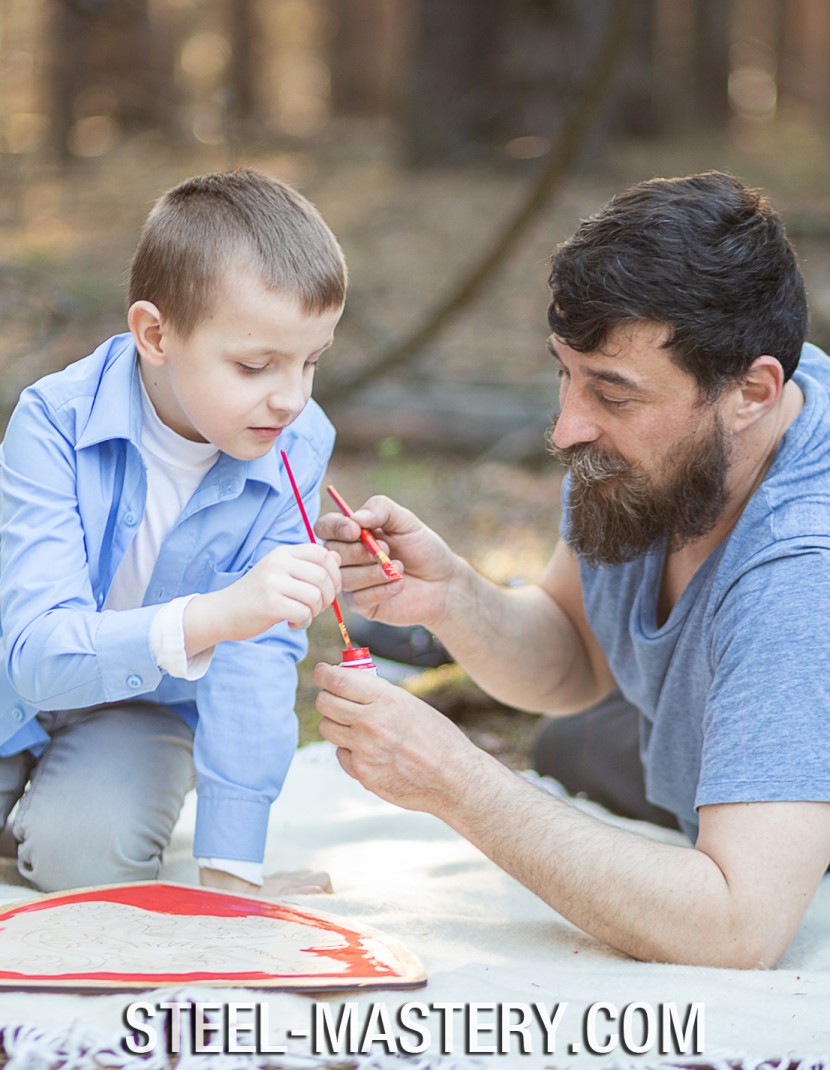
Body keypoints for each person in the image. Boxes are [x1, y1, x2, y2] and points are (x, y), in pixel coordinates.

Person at [313, 171, 830, 968]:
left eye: (613, 395)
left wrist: (454, 779)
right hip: (704, 717)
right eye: (566, 373)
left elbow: (737, 928)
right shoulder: (673, 446)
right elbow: (576, 656)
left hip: (791, 816)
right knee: (567, 745)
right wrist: (453, 598)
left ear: (752, 392)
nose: (566, 428)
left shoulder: (800, 572)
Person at [0, 169, 345, 896]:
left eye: (311, 362)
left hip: (142, 707)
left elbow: (259, 655)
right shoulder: (53, 421)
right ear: (155, 335)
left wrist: (232, 873)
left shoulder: (298, 446)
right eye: (255, 366)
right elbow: (36, 656)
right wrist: (216, 615)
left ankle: (55, 817)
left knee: (89, 862)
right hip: (12, 681)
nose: (290, 398)